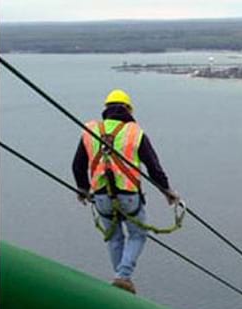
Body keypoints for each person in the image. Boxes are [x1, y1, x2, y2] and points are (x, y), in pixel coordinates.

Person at [72, 89, 180, 294]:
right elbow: (153, 167)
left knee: (114, 238)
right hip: (129, 195)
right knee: (138, 235)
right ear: (128, 109)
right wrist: (167, 191)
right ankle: (123, 275)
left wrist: (83, 189)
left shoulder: (91, 130)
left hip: (102, 196)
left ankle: (120, 279)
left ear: (106, 109)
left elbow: (78, 165)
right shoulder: (134, 132)